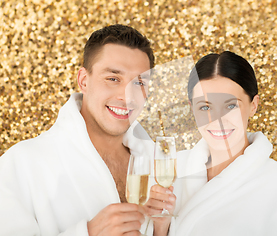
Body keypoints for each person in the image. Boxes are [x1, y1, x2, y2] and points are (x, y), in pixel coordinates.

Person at [0, 24, 176, 236]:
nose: (127, 96)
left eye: (139, 83)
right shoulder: (20, 164)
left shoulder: (157, 163)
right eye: (113, 79)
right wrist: (88, 233)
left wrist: (161, 229)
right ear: (83, 80)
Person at [169, 51, 277, 235]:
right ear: (191, 108)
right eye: (205, 107)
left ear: (253, 105)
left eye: (231, 105)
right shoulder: (171, 169)